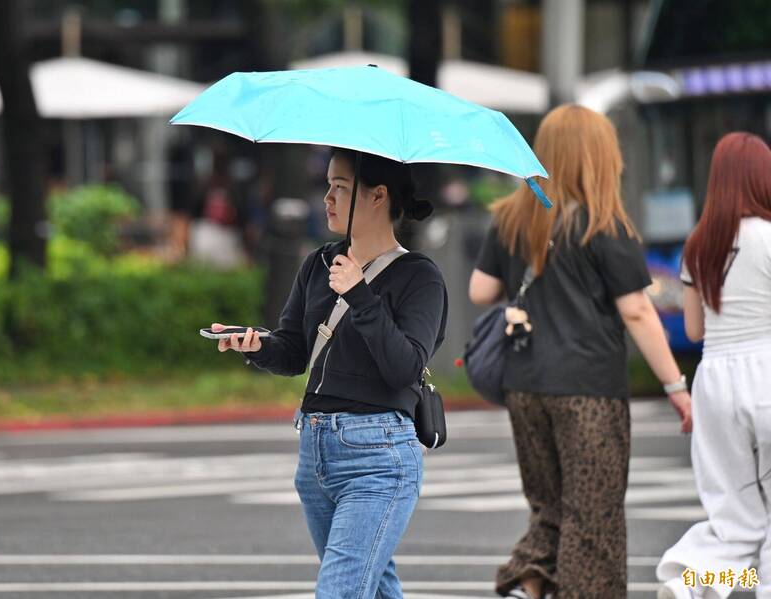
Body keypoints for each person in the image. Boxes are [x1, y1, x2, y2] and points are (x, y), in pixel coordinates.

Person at [468, 104, 692, 599]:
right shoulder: (603, 225)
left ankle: (530, 578)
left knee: (549, 506)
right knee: (593, 518)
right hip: (589, 390)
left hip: (525, 385)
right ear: (598, 157)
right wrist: (676, 386)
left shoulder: (512, 218)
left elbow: (480, 290)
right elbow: (637, 311)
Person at [212, 148, 447, 599]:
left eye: (340, 187)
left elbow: (404, 367)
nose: (327, 198)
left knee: (340, 591)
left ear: (377, 196)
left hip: (378, 457)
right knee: (372, 587)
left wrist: (359, 294)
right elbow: (295, 353)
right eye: (327, 186)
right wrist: (257, 346)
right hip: (315, 450)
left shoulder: (420, 277)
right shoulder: (320, 264)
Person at [656, 132, 771, 599]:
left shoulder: (699, 244)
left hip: (716, 379)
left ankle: (691, 582)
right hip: (766, 367)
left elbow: (694, 329)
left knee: (734, 518)